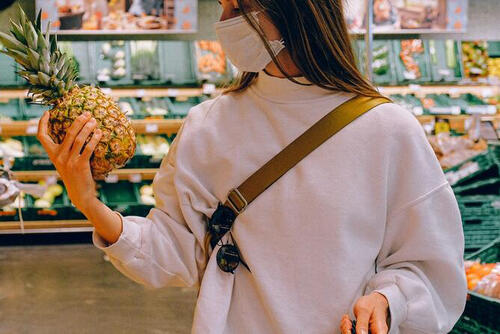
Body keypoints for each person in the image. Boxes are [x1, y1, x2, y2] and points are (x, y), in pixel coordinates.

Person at [36, 0, 467, 333]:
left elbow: (432, 266)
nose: (222, 23)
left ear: (296, 11)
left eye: (239, 8)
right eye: (222, 7)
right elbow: (178, 254)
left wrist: (391, 300)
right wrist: (88, 202)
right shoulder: (209, 125)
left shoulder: (387, 130)